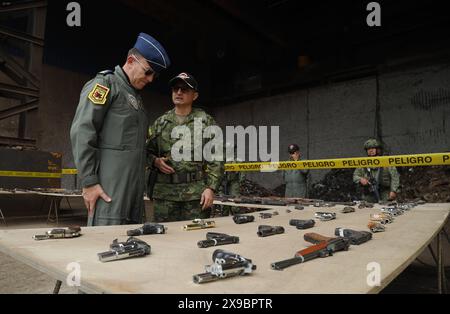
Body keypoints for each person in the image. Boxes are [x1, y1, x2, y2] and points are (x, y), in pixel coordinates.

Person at [70, 33, 171, 226]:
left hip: (133, 194)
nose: (150, 79)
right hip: (110, 191)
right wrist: (89, 182)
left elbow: (130, 144)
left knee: (131, 246)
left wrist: (153, 160)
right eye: (148, 72)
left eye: (154, 76)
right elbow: (82, 131)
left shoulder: (135, 98)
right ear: (131, 60)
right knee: (106, 245)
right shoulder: (105, 84)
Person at [146, 72, 223, 222]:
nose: (179, 92)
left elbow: (217, 159)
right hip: (165, 195)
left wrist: (211, 188)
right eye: (175, 89)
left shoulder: (206, 122)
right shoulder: (160, 123)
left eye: (184, 89)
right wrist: (155, 161)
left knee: (195, 238)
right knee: (166, 239)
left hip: (195, 195)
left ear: (194, 96)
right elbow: (146, 152)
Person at [353, 138, 400, 203]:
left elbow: (395, 177)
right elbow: (355, 176)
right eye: (368, 149)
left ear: (378, 150)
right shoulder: (363, 162)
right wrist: (361, 179)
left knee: (387, 206)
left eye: (373, 148)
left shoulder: (386, 161)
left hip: (385, 191)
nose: (371, 151)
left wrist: (393, 191)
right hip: (369, 193)